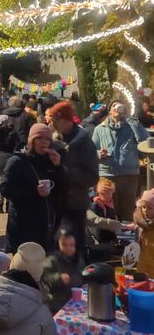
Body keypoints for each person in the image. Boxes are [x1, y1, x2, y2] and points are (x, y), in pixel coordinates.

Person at [0, 123, 66, 253]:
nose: (44, 142)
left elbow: (62, 188)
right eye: (40, 138)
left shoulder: (50, 161)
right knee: (25, 268)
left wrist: (58, 166)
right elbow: (5, 188)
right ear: (32, 140)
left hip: (47, 225)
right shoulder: (17, 161)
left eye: (47, 139)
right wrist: (33, 191)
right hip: (24, 225)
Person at [48, 101, 99, 254]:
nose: (52, 124)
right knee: (55, 246)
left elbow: (92, 177)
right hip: (54, 202)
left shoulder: (84, 142)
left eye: (55, 120)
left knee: (74, 247)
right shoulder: (53, 139)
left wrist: (64, 168)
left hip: (75, 204)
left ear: (67, 121)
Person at [92, 101, 148, 222]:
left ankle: (126, 236)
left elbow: (146, 141)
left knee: (128, 209)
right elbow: (91, 151)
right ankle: (109, 237)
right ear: (110, 111)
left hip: (129, 175)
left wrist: (131, 119)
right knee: (108, 208)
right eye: (114, 106)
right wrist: (98, 154)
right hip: (107, 175)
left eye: (121, 105)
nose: (117, 108)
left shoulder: (132, 126)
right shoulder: (99, 129)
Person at [41, 228, 86, 314]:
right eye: (64, 245)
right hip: (56, 302)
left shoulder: (78, 260)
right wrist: (59, 277)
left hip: (74, 299)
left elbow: (82, 275)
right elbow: (44, 276)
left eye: (71, 245)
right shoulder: (52, 260)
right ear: (58, 245)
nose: (68, 248)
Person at [133, 189, 154, 279]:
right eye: (143, 207)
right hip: (143, 262)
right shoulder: (140, 223)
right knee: (142, 285)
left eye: (150, 208)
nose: (145, 211)